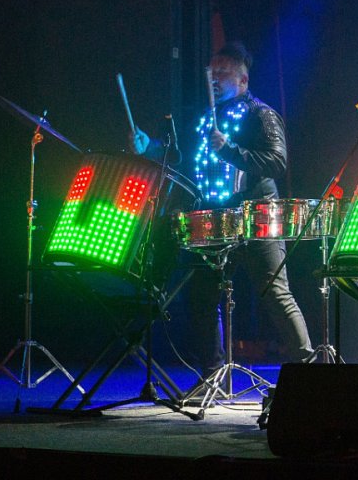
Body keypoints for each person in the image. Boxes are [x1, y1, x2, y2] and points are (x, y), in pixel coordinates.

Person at [131, 41, 314, 374]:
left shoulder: (261, 114)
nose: (214, 78)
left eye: (223, 72)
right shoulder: (205, 119)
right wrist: (152, 148)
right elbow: (183, 158)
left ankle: (309, 369)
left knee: (275, 293)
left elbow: (277, 162)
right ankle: (212, 374)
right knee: (202, 297)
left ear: (243, 80)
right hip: (215, 218)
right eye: (212, 72)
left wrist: (230, 150)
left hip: (257, 217)